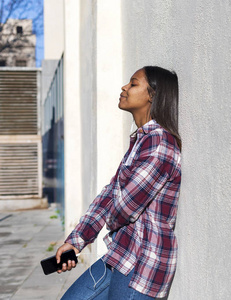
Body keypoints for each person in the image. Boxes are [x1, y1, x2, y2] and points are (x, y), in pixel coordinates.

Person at [56, 66, 182, 299]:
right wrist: (76, 242)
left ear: (152, 95)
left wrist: (111, 212)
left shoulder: (160, 144)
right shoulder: (141, 141)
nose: (124, 87)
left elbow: (125, 206)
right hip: (120, 252)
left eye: (133, 84)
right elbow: (111, 194)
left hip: (143, 262)